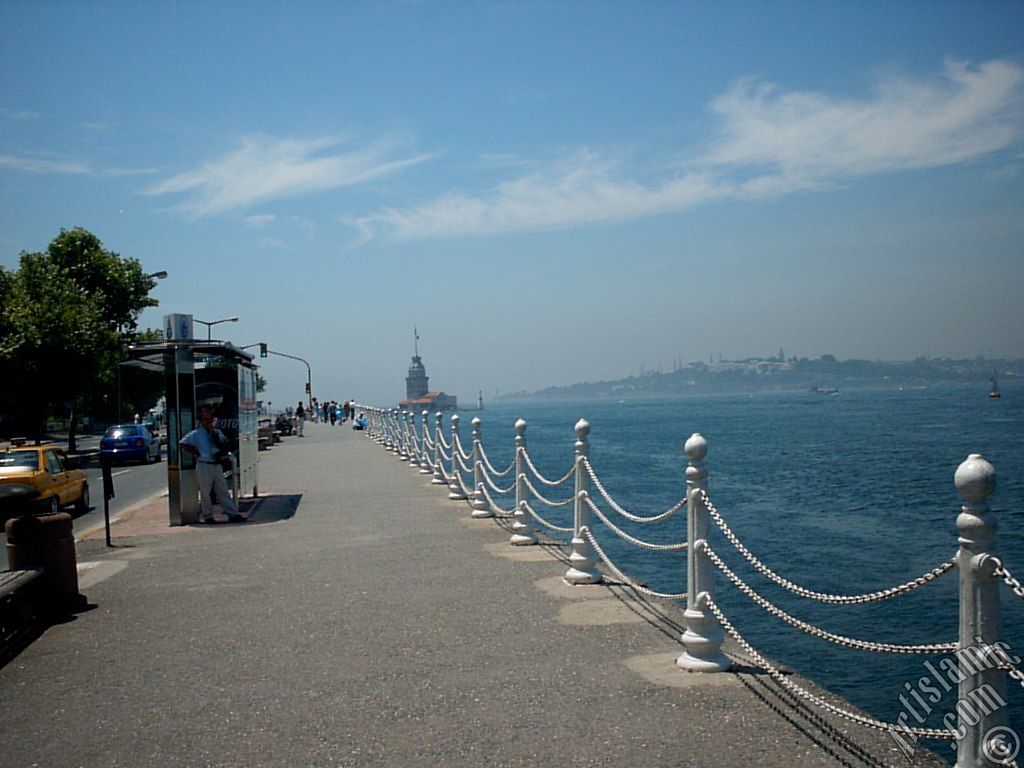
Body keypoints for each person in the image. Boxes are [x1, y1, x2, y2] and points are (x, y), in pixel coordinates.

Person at [179, 405, 246, 524]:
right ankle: (208, 516)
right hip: (204, 464)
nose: (208, 422)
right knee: (205, 492)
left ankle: (232, 513)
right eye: (206, 420)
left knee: (222, 490)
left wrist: (215, 433)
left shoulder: (217, 432)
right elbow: (183, 443)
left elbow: (224, 443)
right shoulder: (196, 434)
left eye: (210, 420)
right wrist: (195, 452)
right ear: (202, 421)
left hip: (216, 464)